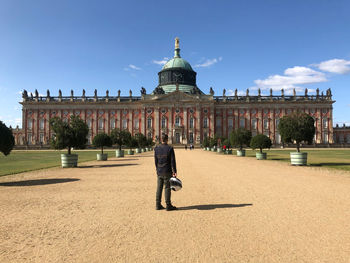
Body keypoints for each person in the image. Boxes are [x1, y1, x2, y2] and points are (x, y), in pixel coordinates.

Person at [154, 134, 178, 211]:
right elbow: (172, 161)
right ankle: (168, 205)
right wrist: (174, 171)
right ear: (167, 139)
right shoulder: (170, 148)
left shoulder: (156, 148)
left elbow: (156, 161)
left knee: (159, 188)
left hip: (159, 171)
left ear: (161, 139)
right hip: (167, 171)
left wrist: (157, 169)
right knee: (167, 188)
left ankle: (158, 204)